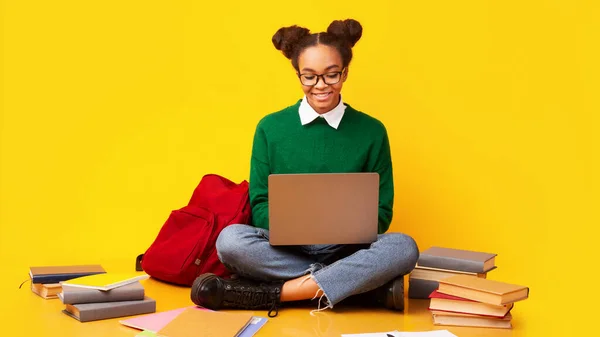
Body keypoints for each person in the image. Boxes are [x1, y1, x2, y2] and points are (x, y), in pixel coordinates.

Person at [190, 19, 419, 317]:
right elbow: (259, 204)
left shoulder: (372, 130)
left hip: (347, 248)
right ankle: (355, 285)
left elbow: (382, 211)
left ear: (345, 72)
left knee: (404, 247)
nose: (321, 86)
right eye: (309, 77)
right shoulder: (270, 128)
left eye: (331, 75)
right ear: (298, 74)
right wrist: (296, 229)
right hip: (286, 249)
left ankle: (276, 294)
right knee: (230, 241)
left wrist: (339, 229)